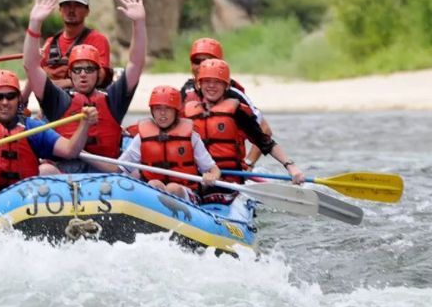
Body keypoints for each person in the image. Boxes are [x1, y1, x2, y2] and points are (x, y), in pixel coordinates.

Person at [24, 0, 147, 174]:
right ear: (70, 74)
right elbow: (31, 66)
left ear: (98, 73)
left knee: (136, 173)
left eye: (89, 69)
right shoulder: (58, 100)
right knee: (44, 171)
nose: (83, 74)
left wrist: (138, 23)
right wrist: (34, 24)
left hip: (105, 169)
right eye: (77, 70)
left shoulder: (113, 99)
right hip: (67, 170)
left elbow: (136, 63)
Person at [0, 69, 99, 205]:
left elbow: (71, 150)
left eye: (10, 96)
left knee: (48, 171)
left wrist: (84, 125)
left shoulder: (32, 128)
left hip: (23, 198)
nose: (5, 102)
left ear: (18, 99)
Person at [183, 59, 304, 204]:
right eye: (207, 81)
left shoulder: (237, 112)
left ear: (226, 85)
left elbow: (266, 143)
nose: (211, 86)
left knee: (212, 192)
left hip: (228, 182)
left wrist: (291, 167)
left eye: (217, 81)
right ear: (199, 84)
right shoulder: (188, 112)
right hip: (197, 180)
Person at [105, 85, 221, 200]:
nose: (162, 113)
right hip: (154, 189)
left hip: (186, 192)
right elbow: (117, 168)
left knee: (173, 188)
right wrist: (87, 155)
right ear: (152, 111)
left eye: (167, 108)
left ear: (176, 111)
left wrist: (211, 176)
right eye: (157, 108)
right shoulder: (142, 138)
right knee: (154, 184)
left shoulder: (192, 137)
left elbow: (214, 169)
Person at [179, 37, 273, 170]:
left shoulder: (233, 94)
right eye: (196, 61)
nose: (201, 65)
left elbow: (265, 130)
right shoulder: (186, 91)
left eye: (207, 60)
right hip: (197, 171)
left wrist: (249, 162)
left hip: (228, 170)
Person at [40, 0, 113, 89]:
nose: (71, 10)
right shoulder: (50, 43)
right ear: (60, 10)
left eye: (77, 5)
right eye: (67, 5)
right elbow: (35, 73)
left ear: (87, 11)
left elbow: (99, 76)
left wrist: (56, 85)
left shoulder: (98, 40)